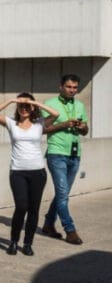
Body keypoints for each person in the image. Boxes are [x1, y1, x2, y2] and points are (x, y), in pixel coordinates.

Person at [0, 93, 61, 255]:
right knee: (21, 207)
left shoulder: (39, 124)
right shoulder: (11, 123)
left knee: (34, 209)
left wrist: (35, 103)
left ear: (32, 107)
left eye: (27, 105)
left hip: (38, 173)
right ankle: (14, 241)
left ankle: (28, 243)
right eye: (21, 106)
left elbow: (56, 114)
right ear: (17, 108)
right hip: (18, 172)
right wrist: (12, 100)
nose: (24, 108)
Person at [41, 74, 89, 245]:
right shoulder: (49, 104)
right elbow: (42, 129)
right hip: (56, 154)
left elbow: (86, 131)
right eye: (69, 87)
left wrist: (82, 127)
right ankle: (70, 230)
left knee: (63, 194)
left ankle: (48, 224)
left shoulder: (80, 105)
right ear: (61, 86)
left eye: (75, 87)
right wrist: (63, 125)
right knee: (63, 194)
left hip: (75, 155)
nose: (72, 90)